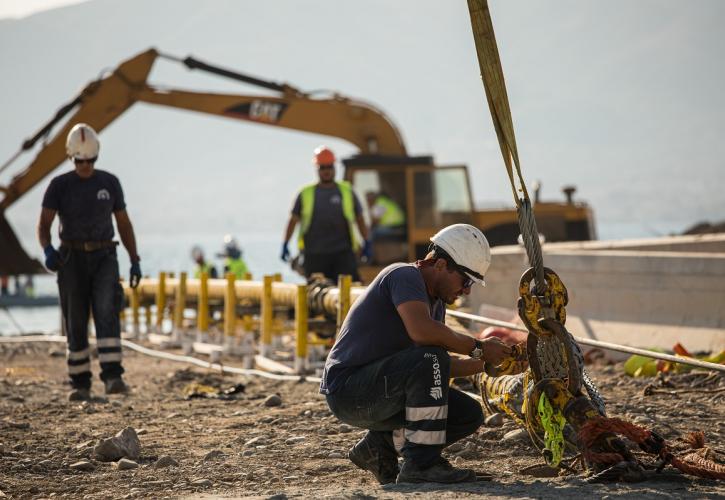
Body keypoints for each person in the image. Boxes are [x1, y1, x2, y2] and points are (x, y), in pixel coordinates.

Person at [321, 223, 512, 484]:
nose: (467, 290)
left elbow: (437, 368)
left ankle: (379, 448)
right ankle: (421, 465)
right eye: (466, 280)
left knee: (468, 413)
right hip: (349, 391)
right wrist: (479, 347)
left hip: (380, 391)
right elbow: (422, 335)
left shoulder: (435, 305)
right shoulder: (404, 276)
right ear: (441, 265)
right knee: (430, 358)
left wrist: (491, 364)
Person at [37, 123, 141, 401]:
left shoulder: (109, 183)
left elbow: (124, 223)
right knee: (76, 318)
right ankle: (80, 381)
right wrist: (47, 250)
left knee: (107, 310)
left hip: (105, 255)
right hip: (71, 258)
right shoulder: (59, 186)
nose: (86, 166)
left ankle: (113, 376)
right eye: (80, 161)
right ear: (72, 157)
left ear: (97, 157)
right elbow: (44, 224)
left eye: (90, 160)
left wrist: (134, 259)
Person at [281, 145, 371, 282]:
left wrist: (366, 242)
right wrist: (285, 243)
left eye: (329, 167)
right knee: (316, 294)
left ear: (334, 167)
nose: (326, 171)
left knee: (350, 291)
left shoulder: (346, 191)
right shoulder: (306, 193)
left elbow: (360, 218)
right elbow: (293, 220)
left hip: (343, 254)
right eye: (323, 167)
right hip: (314, 255)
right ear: (317, 169)